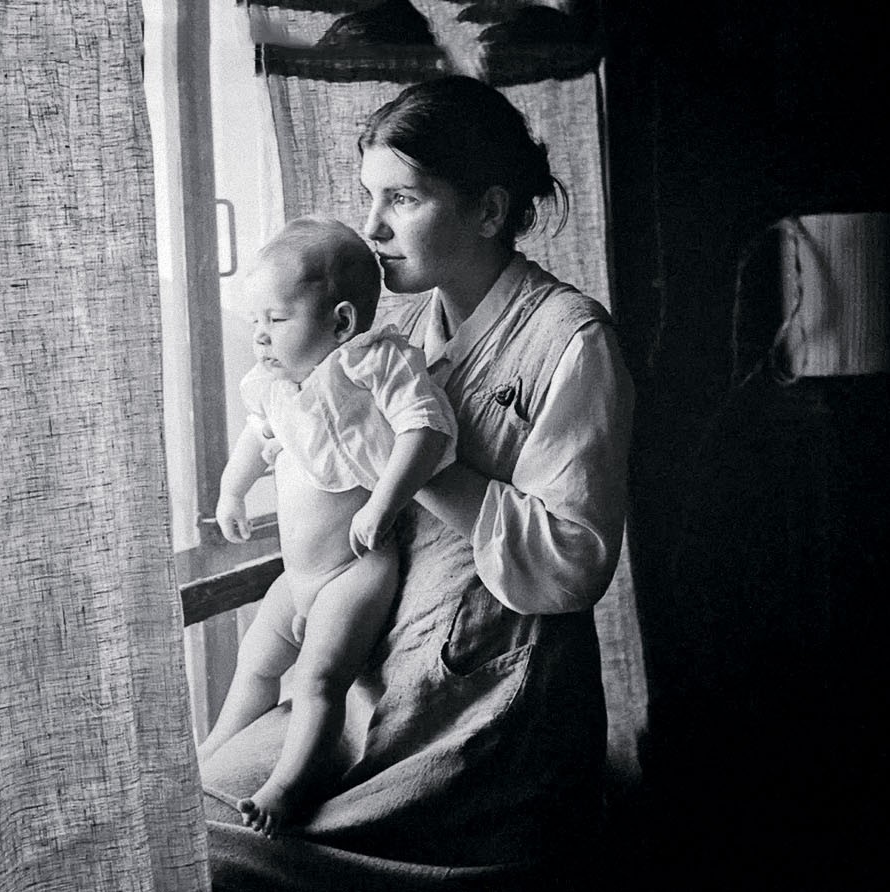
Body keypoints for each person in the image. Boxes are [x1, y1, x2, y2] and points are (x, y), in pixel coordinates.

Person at [200, 74, 635, 890]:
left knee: (221, 857)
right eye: (369, 198)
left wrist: (419, 463)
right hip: (379, 682)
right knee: (185, 816)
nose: (371, 229)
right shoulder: (394, 337)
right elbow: (310, 453)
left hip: (490, 716)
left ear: (489, 211)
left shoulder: (573, 341)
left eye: (400, 199)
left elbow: (574, 563)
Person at [197, 215, 457, 836]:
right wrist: (232, 490)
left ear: (341, 323)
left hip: (354, 570)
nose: (260, 336)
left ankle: (288, 786)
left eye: (277, 319)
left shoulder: (372, 364)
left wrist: (383, 503)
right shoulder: (276, 385)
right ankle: (214, 751)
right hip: (299, 576)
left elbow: (425, 428)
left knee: (319, 679)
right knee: (256, 662)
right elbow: (256, 437)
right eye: (255, 322)